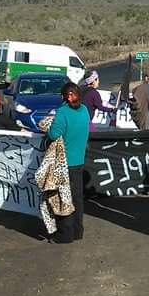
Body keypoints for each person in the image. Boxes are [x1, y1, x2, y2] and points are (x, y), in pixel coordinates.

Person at [46, 82, 90, 243]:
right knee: (77, 197)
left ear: (64, 97)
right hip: (79, 160)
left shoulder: (62, 112)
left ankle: (66, 234)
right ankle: (78, 231)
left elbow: (53, 134)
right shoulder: (85, 110)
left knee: (64, 199)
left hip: (64, 163)